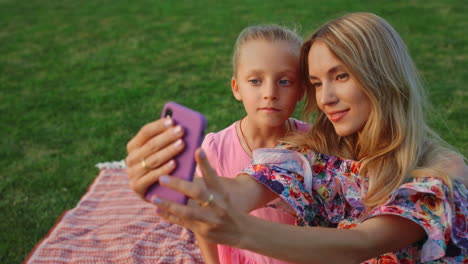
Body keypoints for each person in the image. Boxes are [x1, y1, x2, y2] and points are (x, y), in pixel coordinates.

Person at [126, 12, 468, 263]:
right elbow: (242, 188)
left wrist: (239, 230)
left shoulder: (442, 173)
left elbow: (363, 244)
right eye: (318, 83)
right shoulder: (317, 151)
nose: (325, 98)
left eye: (341, 76)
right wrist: (176, 183)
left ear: (382, 75)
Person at [193, 24, 309, 264]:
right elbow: (203, 220)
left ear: (301, 90)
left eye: (285, 82)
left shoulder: (313, 144)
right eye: (255, 81)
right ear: (237, 88)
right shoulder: (215, 150)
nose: (270, 93)